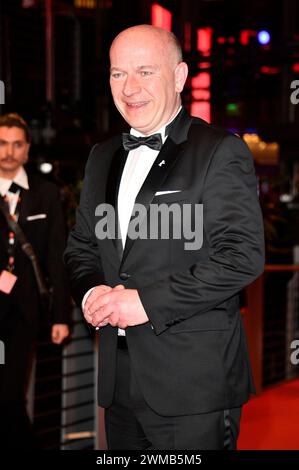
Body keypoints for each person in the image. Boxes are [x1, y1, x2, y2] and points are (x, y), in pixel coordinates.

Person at [64, 25, 265, 450]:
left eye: (145, 72)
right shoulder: (101, 157)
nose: (130, 88)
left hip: (194, 385)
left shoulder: (220, 151)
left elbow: (241, 257)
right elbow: (82, 246)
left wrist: (143, 302)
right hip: (117, 381)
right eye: (118, 74)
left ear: (179, 77)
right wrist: (90, 293)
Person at [0, 113, 71, 448]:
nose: (8, 152)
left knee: (10, 396)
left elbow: (57, 258)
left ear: (27, 150)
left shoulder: (45, 194)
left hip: (23, 313)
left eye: (16, 144)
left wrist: (60, 317)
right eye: (1, 143)